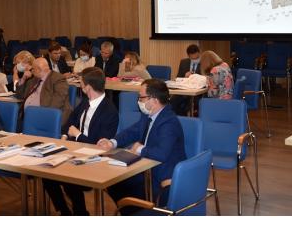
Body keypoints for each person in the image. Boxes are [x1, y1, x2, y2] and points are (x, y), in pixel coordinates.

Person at [97, 79, 185, 212]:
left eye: (141, 97)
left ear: (154, 100)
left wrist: (139, 148)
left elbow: (161, 154)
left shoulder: (169, 122)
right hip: (146, 168)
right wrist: (112, 142)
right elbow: (133, 131)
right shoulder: (148, 114)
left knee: (118, 185)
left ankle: (139, 213)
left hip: (161, 177)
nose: (138, 101)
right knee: (113, 182)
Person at [44, 67, 118, 215]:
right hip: (75, 150)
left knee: (69, 175)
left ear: (88, 87)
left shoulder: (109, 111)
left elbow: (99, 145)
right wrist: (64, 137)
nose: (80, 85)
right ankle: (64, 211)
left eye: (81, 83)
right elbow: (70, 121)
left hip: (95, 157)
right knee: (45, 171)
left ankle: (81, 213)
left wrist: (77, 135)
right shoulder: (86, 102)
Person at [15, 57, 72, 127]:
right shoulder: (34, 80)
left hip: (45, 117)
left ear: (39, 69)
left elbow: (58, 101)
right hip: (27, 116)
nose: (32, 71)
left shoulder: (58, 79)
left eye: (33, 69)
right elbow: (20, 95)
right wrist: (23, 79)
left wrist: (42, 114)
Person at [171, 44, 202, 116]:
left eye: (196, 58)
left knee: (196, 103)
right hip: (184, 90)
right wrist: (185, 77)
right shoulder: (184, 62)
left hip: (198, 91)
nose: (195, 60)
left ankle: (192, 118)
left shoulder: (204, 62)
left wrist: (195, 77)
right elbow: (178, 78)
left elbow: (205, 78)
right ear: (188, 56)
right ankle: (180, 119)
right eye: (192, 58)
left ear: (199, 53)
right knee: (173, 101)